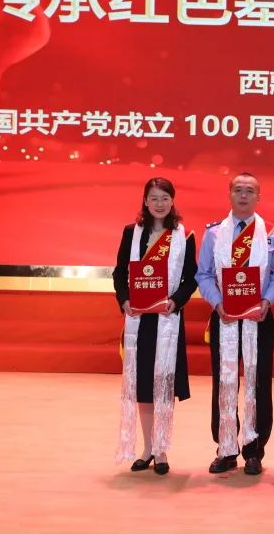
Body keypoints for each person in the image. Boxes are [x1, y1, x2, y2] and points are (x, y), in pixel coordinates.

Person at [196, 172, 274, 475]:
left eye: (250, 191)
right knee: (225, 382)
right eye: (238, 190)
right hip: (225, 317)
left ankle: (255, 449)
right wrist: (217, 302)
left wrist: (267, 300)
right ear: (229, 195)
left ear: (259, 197)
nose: (243, 195)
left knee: (259, 382)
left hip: (259, 317)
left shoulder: (272, 234)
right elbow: (203, 274)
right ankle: (226, 447)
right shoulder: (213, 234)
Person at [113, 177, 197, 476]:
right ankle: (147, 449)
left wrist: (175, 301)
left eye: (165, 198)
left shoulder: (184, 236)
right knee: (143, 386)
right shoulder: (132, 233)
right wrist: (124, 300)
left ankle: (161, 450)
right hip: (140, 320)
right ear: (145, 201)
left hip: (167, 319)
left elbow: (191, 278)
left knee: (164, 385)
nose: (159, 204)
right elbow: (119, 273)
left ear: (172, 201)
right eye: (154, 198)